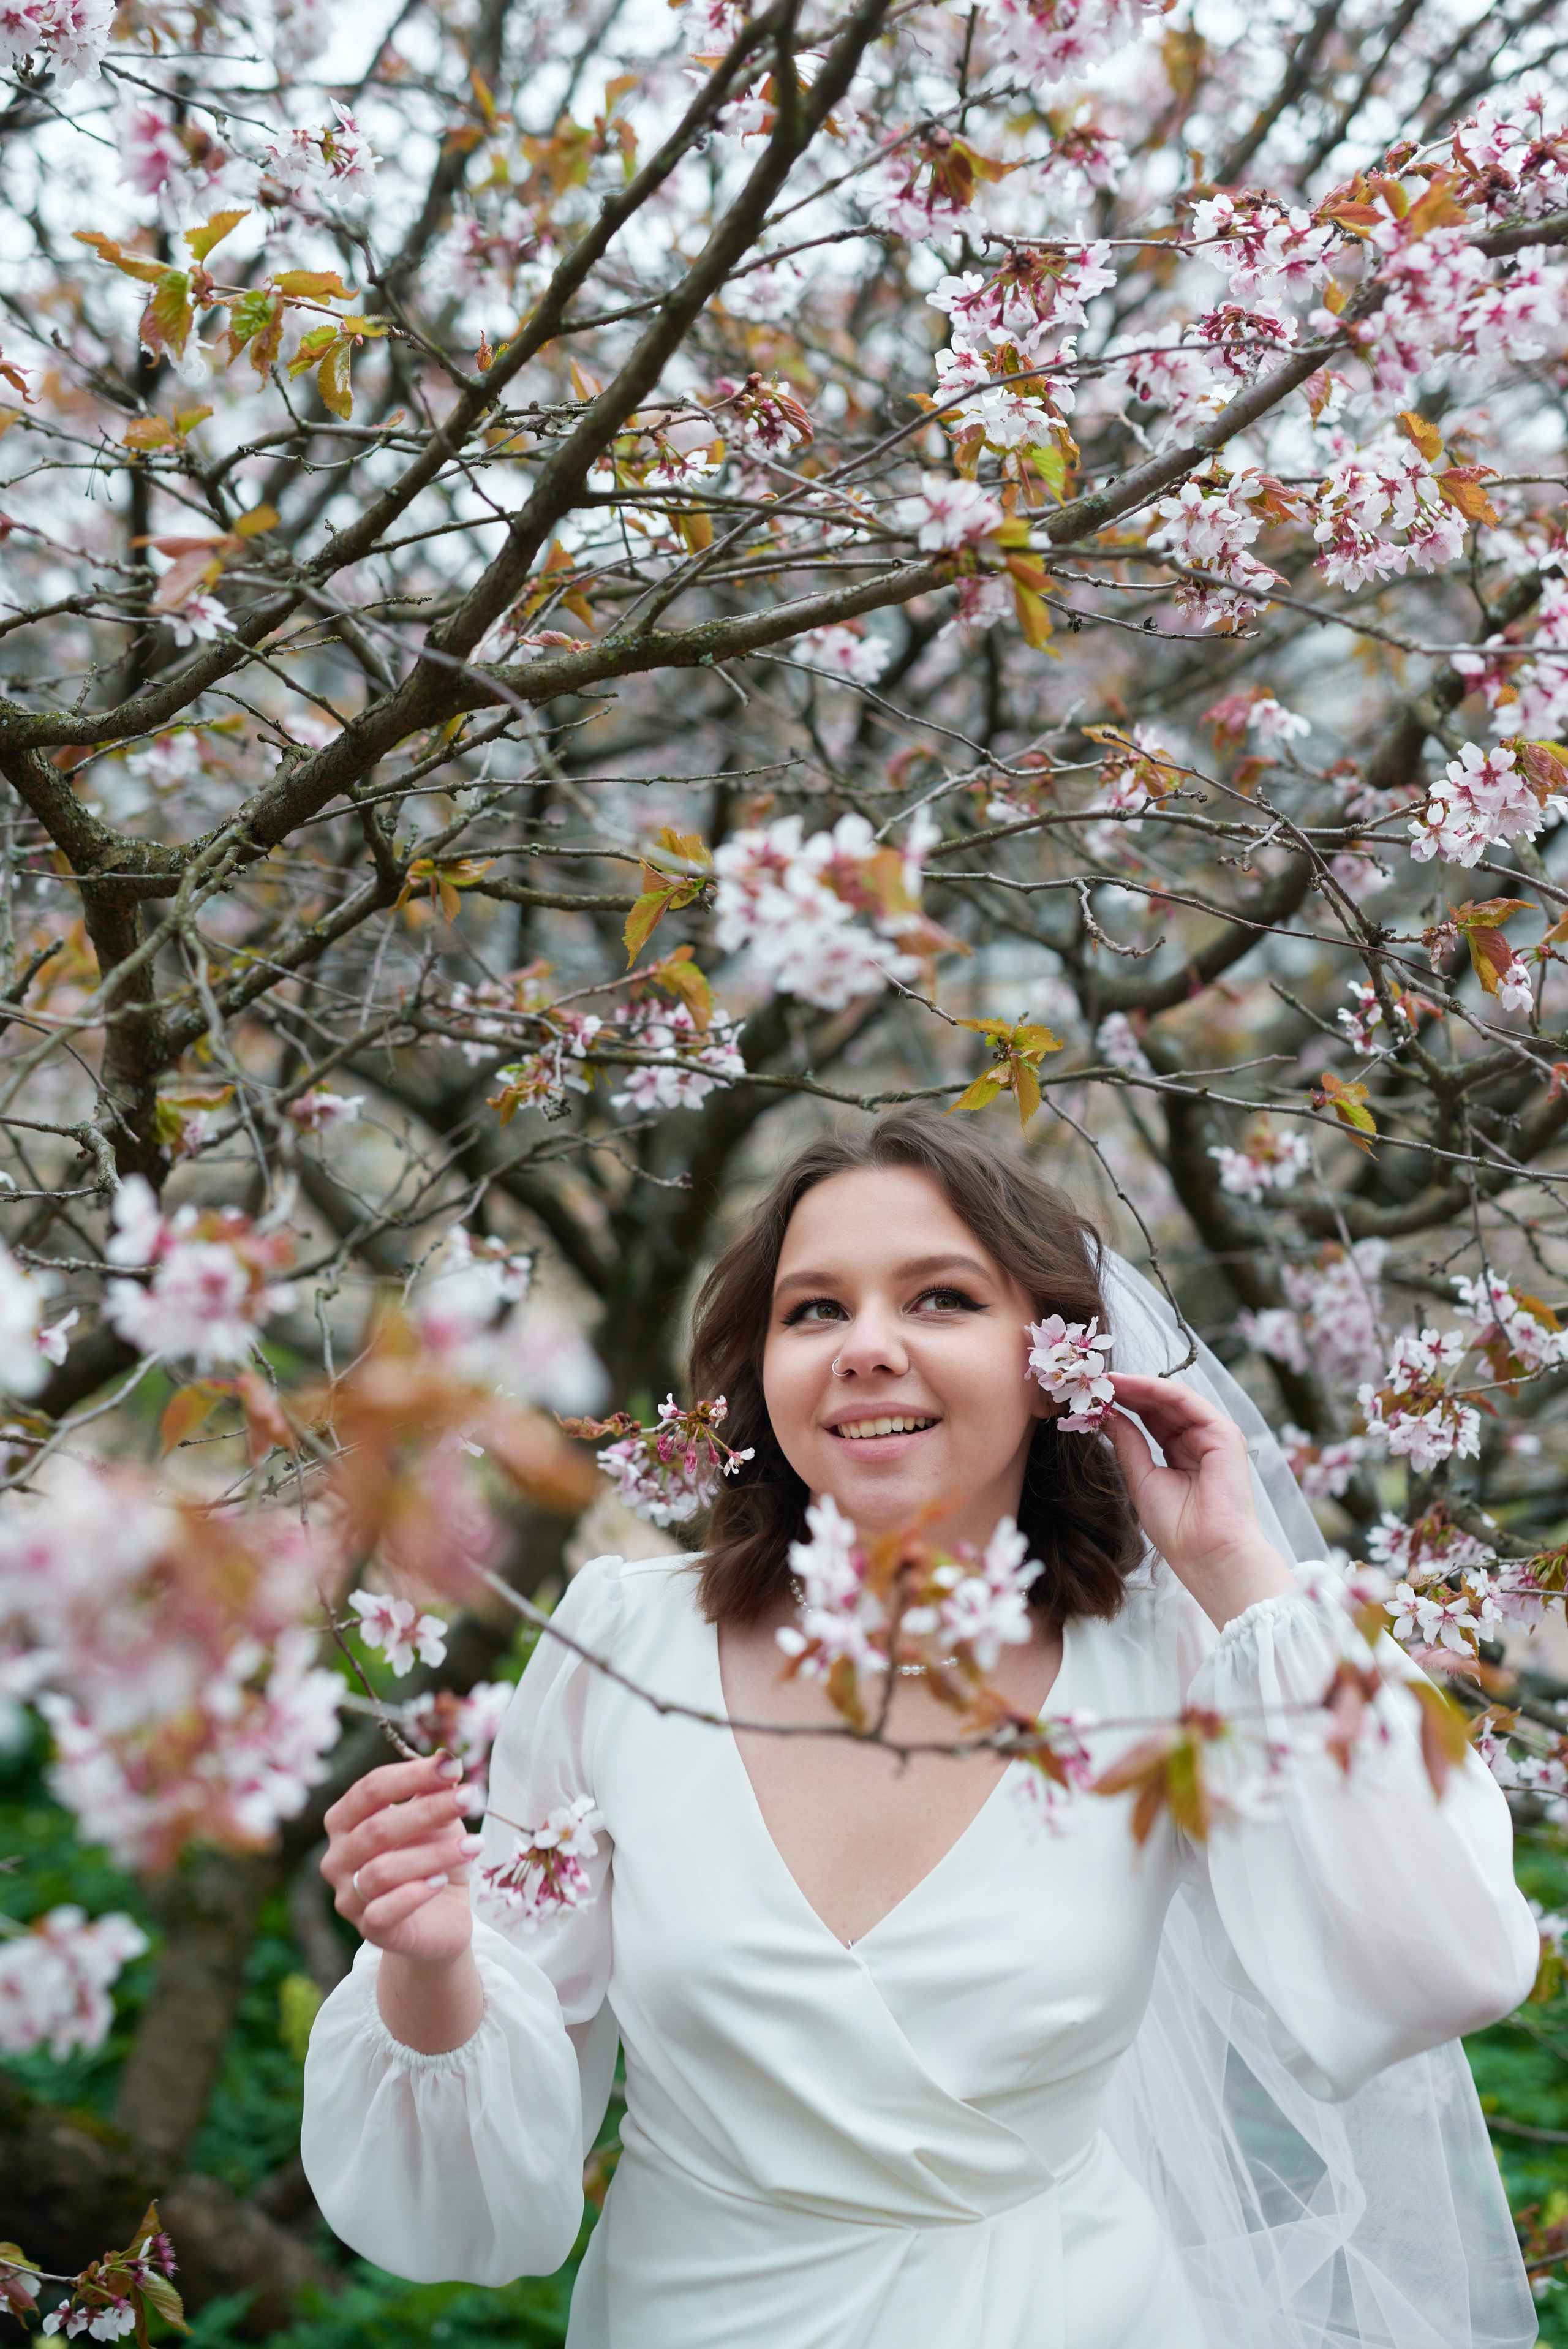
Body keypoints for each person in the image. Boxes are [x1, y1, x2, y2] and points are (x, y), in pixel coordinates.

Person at [301, 1109, 1539, 2348]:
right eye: (813, 1310)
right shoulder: (625, 1645)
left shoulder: (1166, 1662)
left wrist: (1234, 1566)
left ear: (1053, 1363)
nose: (866, 1348)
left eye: (940, 1299)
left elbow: (1438, 1963)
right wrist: (430, 1963)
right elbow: (478, 2200)